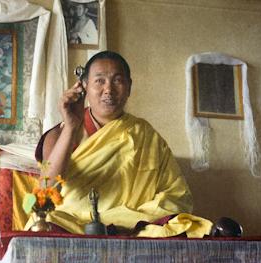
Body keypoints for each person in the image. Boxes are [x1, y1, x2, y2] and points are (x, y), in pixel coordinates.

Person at [27, 51, 204, 235]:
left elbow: (176, 194)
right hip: (75, 225)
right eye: (100, 81)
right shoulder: (59, 133)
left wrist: (126, 218)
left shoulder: (145, 134)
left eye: (118, 81)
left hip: (132, 225)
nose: (108, 90)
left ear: (129, 87)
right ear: (84, 86)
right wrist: (71, 127)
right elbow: (46, 189)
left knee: (184, 225)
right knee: (45, 221)